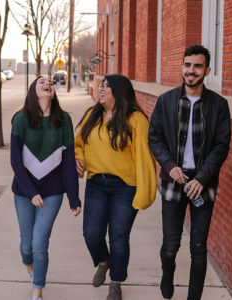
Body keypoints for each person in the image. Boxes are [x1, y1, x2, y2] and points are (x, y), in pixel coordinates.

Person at [148, 45, 231, 300]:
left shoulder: (218, 105)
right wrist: (170, 166)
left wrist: (202, 177)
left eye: (197, 66)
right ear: (182, 67)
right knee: (171, 245)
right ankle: (167, 273)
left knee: (198, 246)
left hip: (203, 184)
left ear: (206, 70)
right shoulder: (166, 101)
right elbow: (155, 138)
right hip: (174, 181)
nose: (191, 71)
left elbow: (221, 145)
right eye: (187, 65)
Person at [74, 74, 156, 300]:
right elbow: (78, 144)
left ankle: (116, 283)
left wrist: (145, 191)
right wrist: (77, 158)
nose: (101, 89)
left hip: (125, 187)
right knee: (91, 234)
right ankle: (103, 261)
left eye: (107, 87)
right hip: (96, 184)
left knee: (119, 237)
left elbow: (144, 158)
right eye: (101, 85)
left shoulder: (136, 119)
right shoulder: (92, 115)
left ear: (119, 92)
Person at [10, 76, 82, 300]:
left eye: (50, 82)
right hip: (24, 191)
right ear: (34, 90)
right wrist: (31, 193)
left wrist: (74, 198)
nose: (47, 83)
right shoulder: (21, 119)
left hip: (52, 191)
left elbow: (69, 161)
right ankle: (30, 268)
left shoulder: (64, 120)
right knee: (26, 246)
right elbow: (15, 161)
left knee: (40, 242)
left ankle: (38, 290)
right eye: (41, 81)